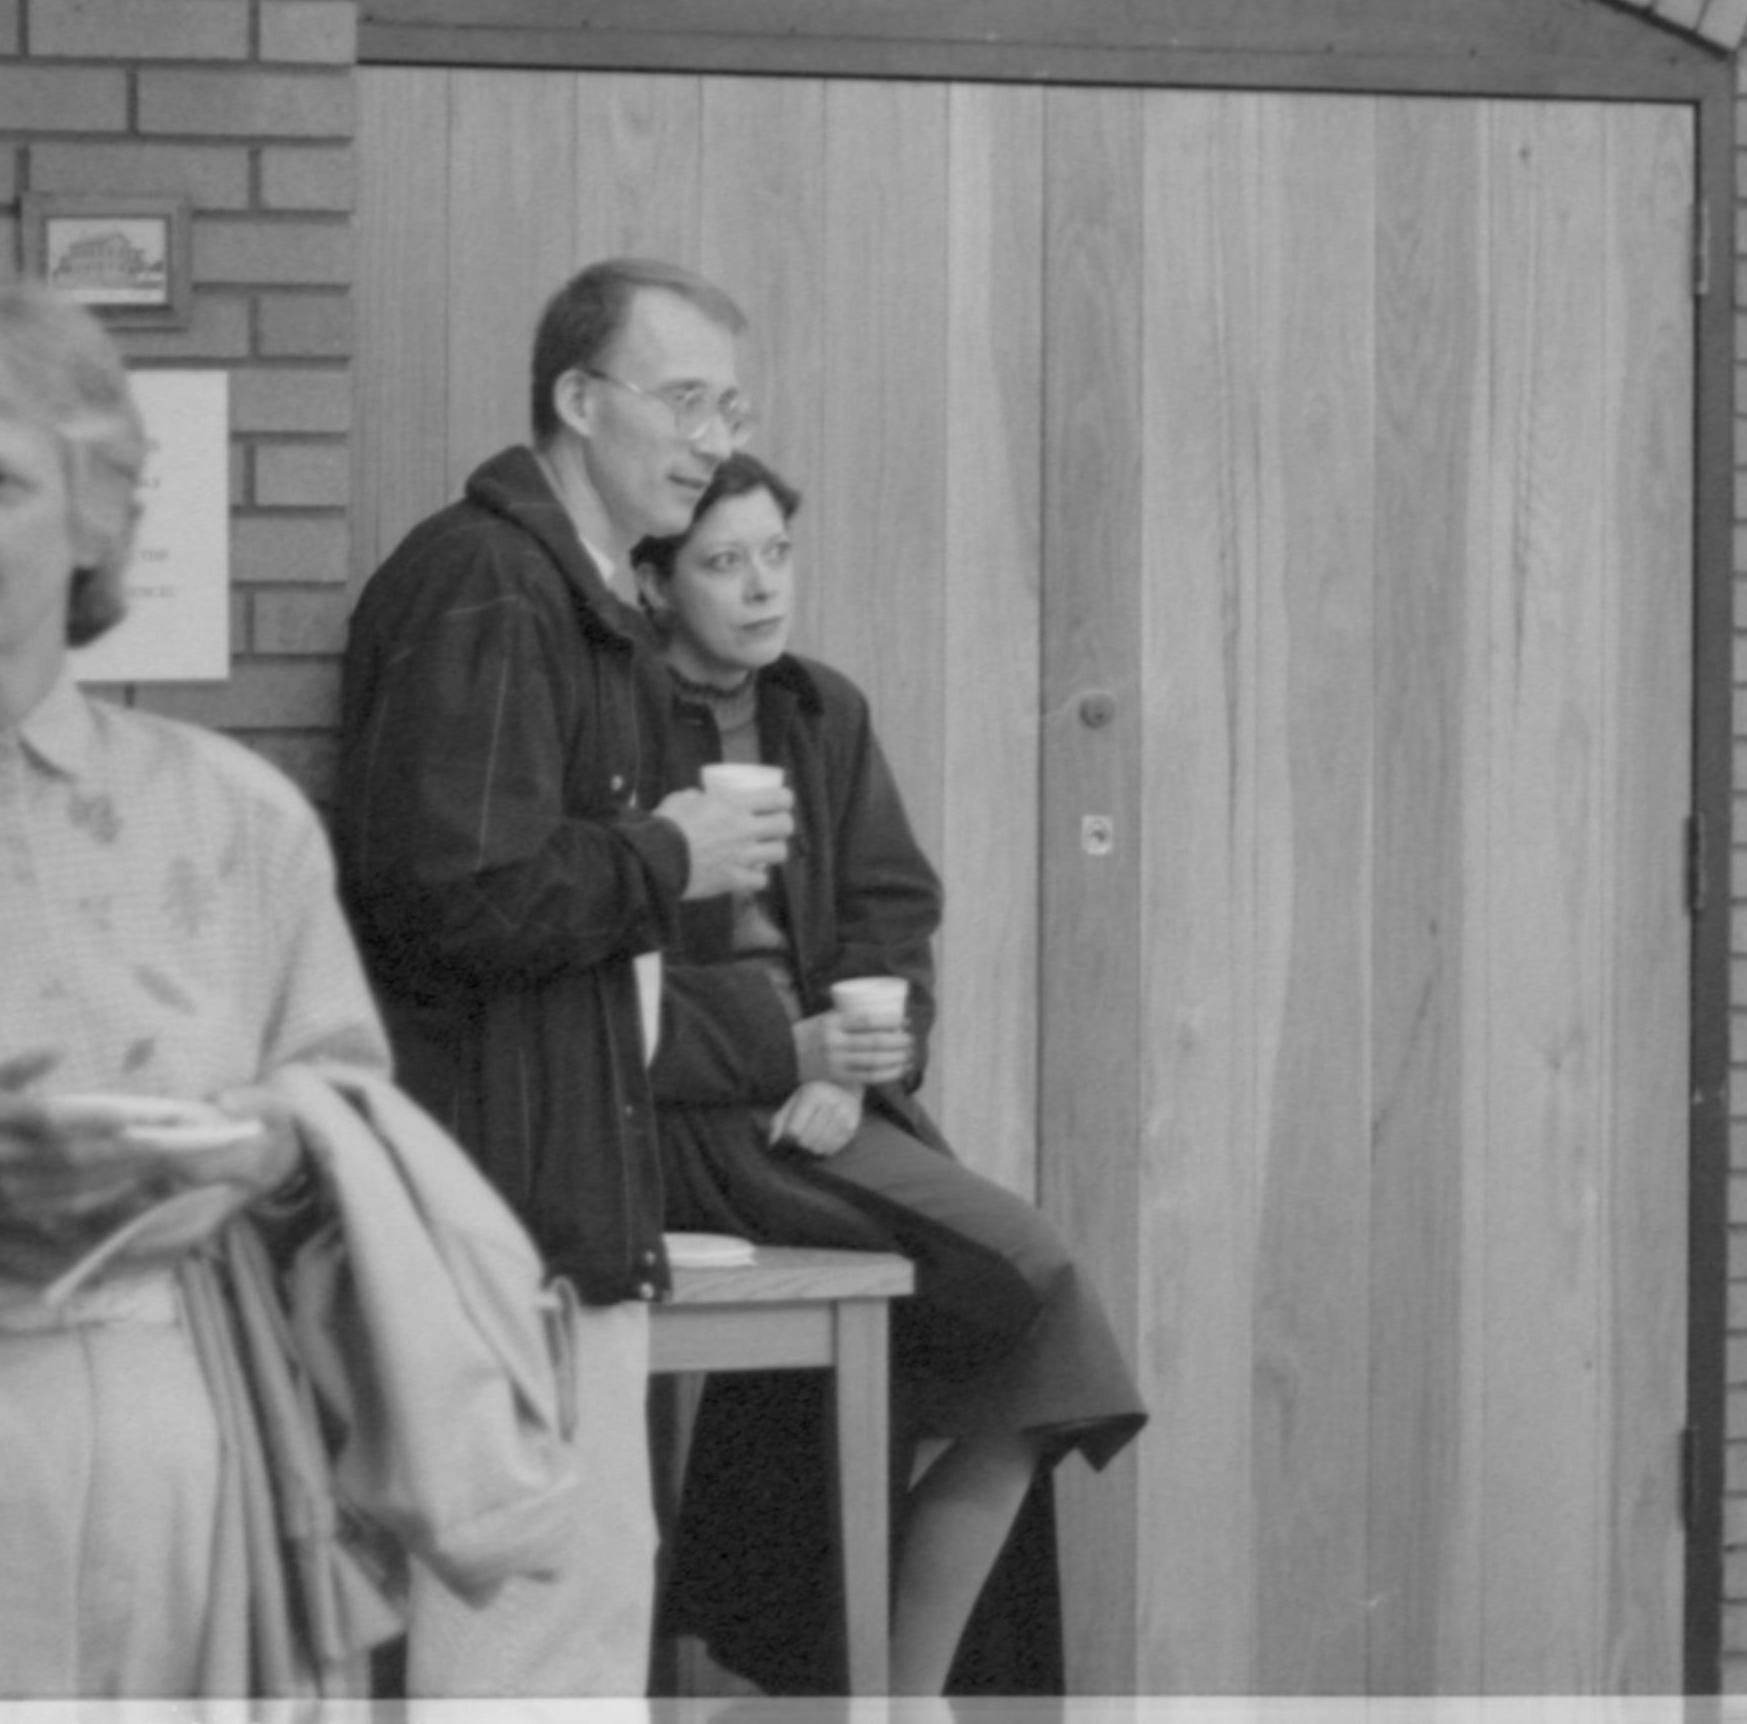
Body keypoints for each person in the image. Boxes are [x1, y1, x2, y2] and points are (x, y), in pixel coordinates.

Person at [0, 278, 402, 1696]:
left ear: (97, 513)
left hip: (186, 1437)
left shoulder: (235, 818)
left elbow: (347, 1105)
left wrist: (267, 1138)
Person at [332, 257, 796, 1693]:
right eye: (680, 399)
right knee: (530, 1654)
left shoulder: (583, 599)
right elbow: (449, 894)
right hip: (498, 1223)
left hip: (552, 1207)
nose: (713, 436)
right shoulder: (489, 582)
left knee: (580, 1635)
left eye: (728, 402)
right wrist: (667, 854)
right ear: (578, 401)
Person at [634, 450, 1147, 1695]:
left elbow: (892, 911)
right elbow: (602, 966)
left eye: (777, 555)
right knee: (1039, 1285)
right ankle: (898, 1697)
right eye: (722, 562)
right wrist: (778, 1051)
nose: (762, 589)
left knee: (1026, 1332)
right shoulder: (615, 718)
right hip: (681, 1113)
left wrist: (865, 1057)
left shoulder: (820, 707)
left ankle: (875, 1688)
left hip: (823, 1106)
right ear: (653, 583)